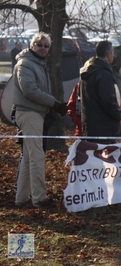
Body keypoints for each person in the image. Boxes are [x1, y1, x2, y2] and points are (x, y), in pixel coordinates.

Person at [13, 32, 68, 208]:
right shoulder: (26, 64)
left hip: (36, 114)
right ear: (31, 45)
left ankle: (21, 198)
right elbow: (29, 90)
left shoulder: (39, 64)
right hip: (29, 114)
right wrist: (54, 103)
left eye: (46, 45)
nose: (43, 48)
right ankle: (39, 198)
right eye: (39, 44)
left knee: (29, 156)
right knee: (37, 156)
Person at [80, 40, 121, 144]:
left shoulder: (87, 71)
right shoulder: (103, 73)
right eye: (112, 53)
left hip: (89, 123)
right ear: (108, 54)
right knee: (107, 157)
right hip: (103, 125)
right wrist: (117, 115)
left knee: (94, 156)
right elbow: (107, 100)